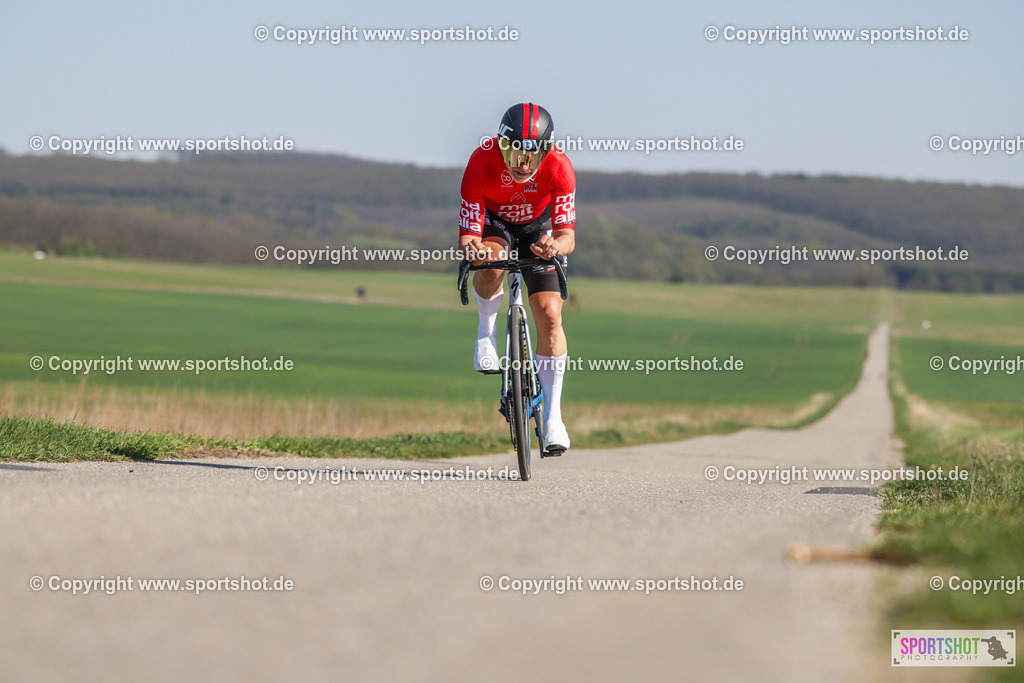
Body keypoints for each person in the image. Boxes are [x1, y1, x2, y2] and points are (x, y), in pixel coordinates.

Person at [458, 103, 576, 451]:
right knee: (492, 261)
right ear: (500, 144)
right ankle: (486, 332)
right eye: (514, 153)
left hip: (539, 230)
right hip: (495, 225)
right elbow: (469, 237)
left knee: (551, 316)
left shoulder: (560, 167)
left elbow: (568, 237)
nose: (522, 164)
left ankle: (553, 419)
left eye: (532, 155)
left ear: (547, 152)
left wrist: (554, 246)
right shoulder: (481, 162)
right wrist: (475, 250)